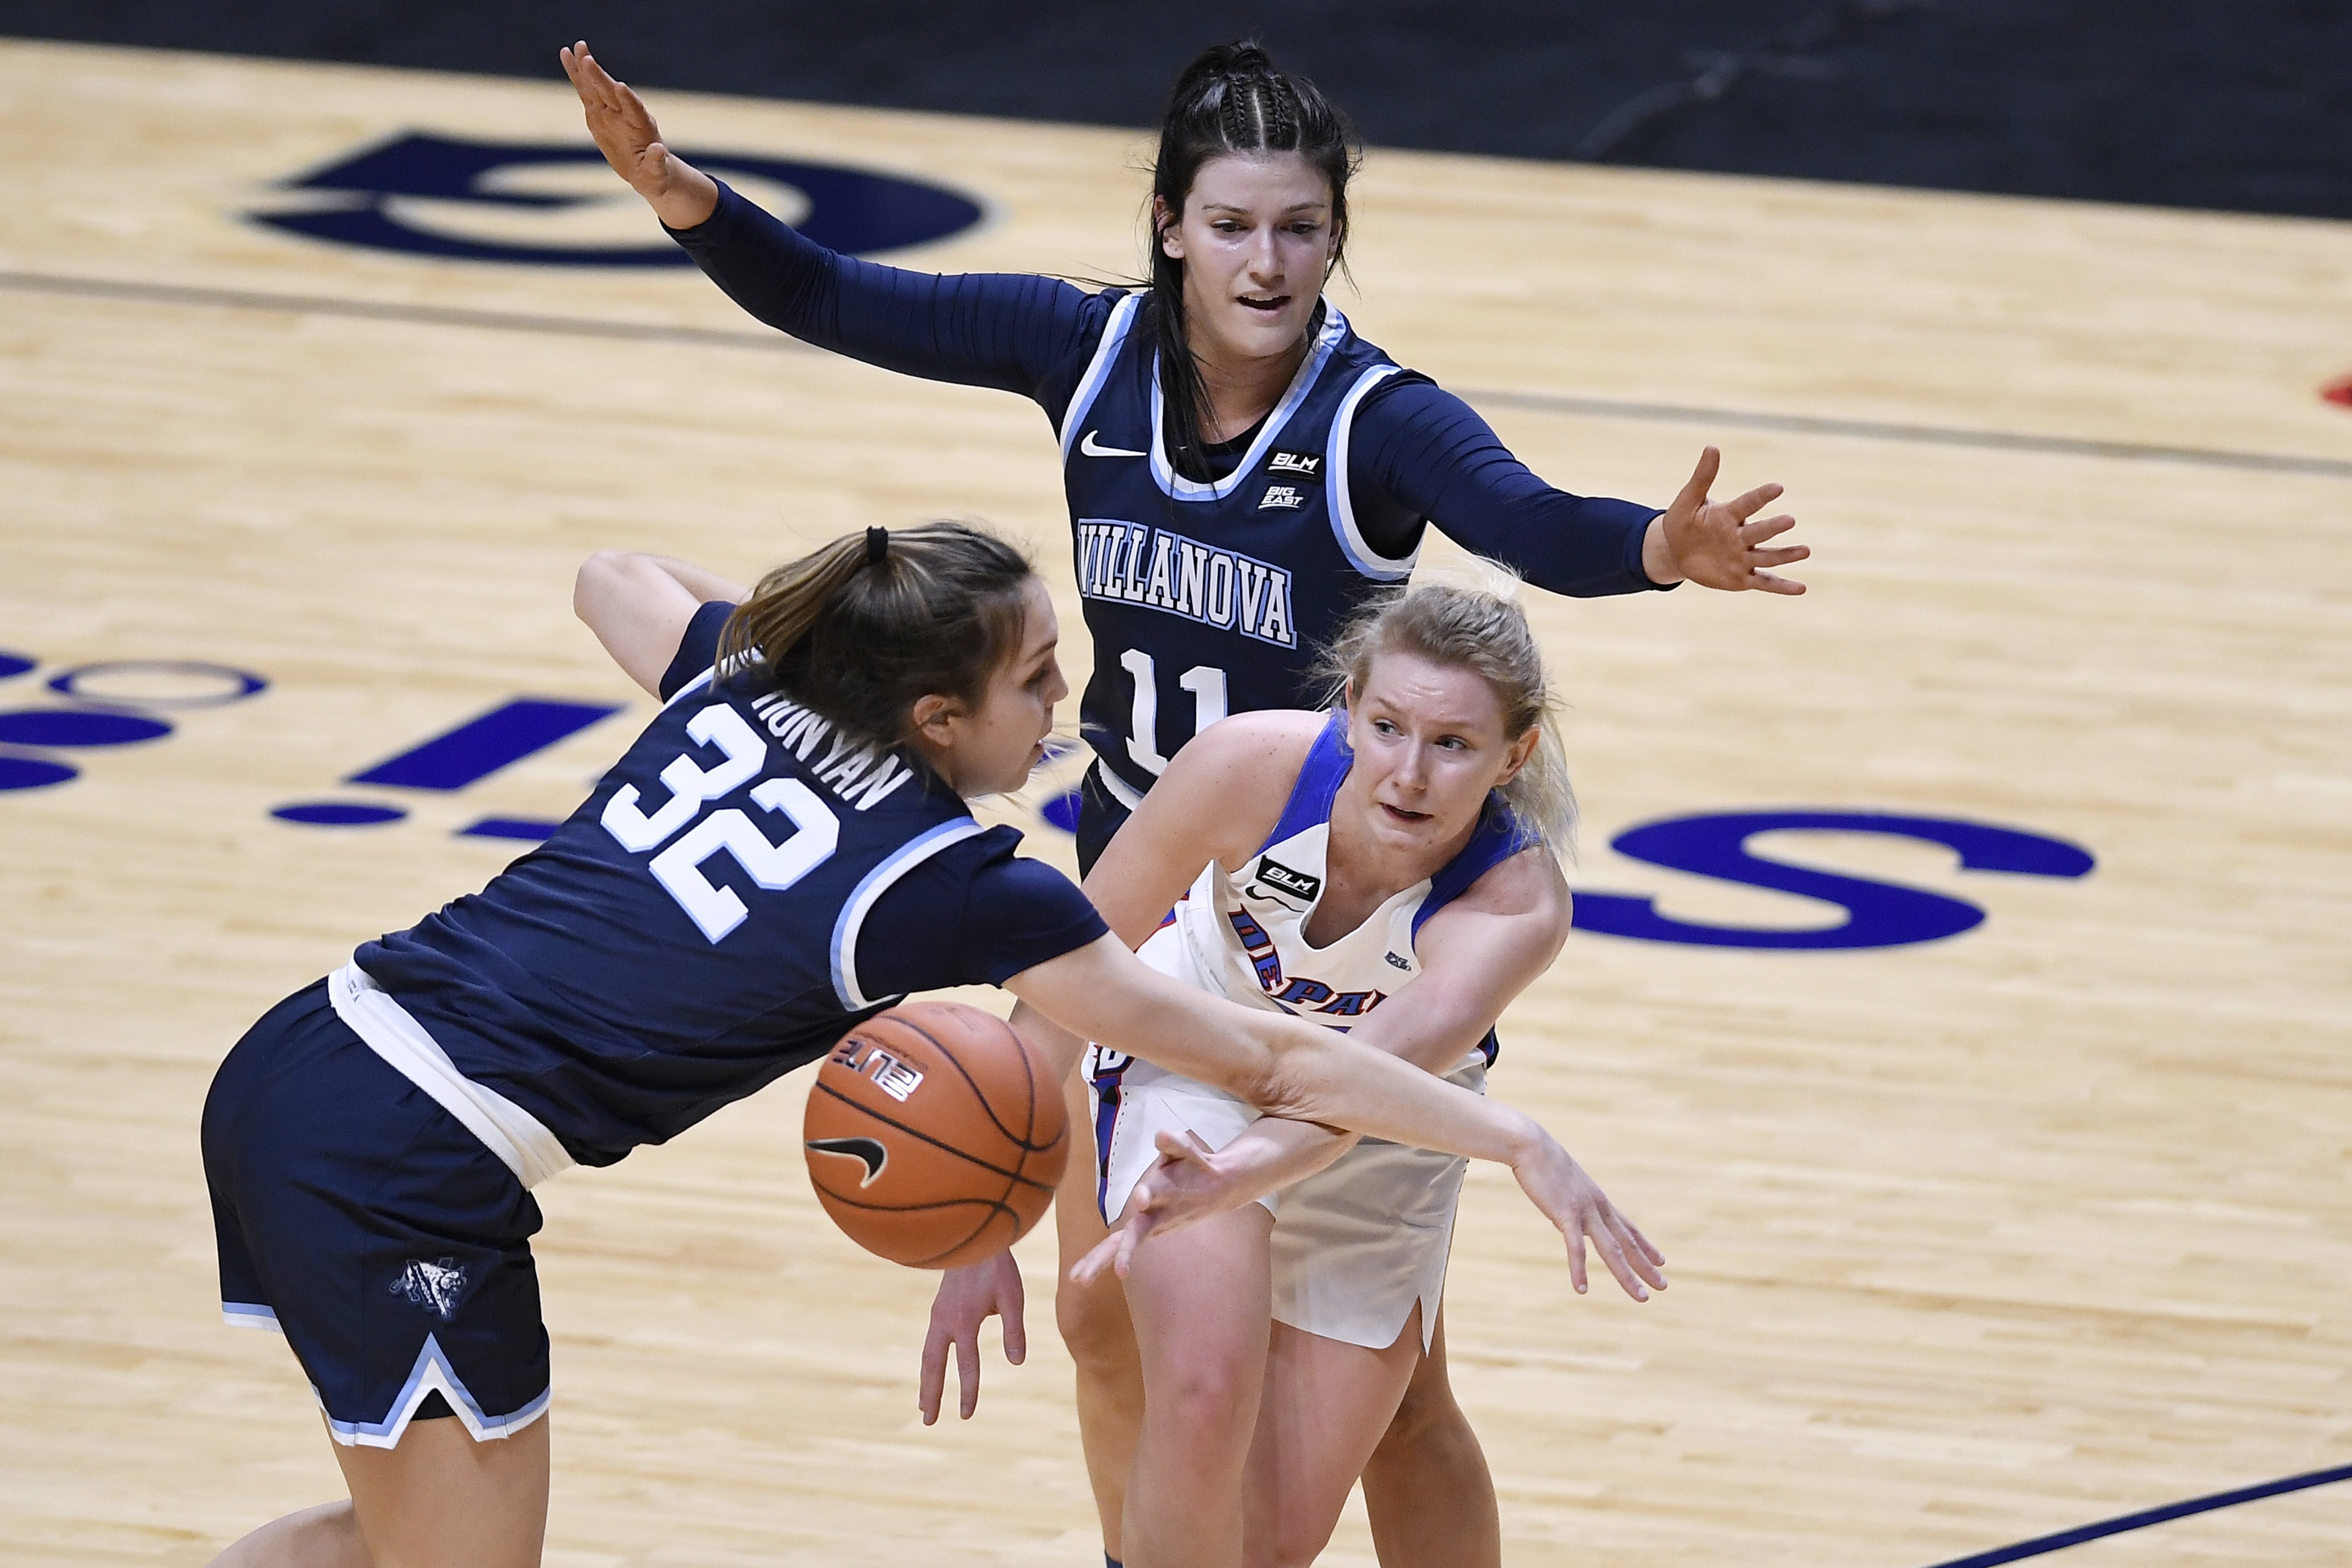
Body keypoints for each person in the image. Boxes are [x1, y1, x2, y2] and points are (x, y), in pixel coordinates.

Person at [561, 37, 1798, 1563]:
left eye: (1298, 227)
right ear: (1168, 225)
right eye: (1232, 225)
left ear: (1336, 236)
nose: (1267, 262)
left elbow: (1534, 526)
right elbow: (835, 296)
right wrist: (679, 194)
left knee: (1407, 1400)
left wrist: (1660, 549)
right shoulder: (1083, 350)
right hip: (1150, 900)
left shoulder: (1374, 421)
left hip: (1357, 929)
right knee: (1114, 1340)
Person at [198, 524, 1642, 1568]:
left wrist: (792, 638)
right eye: (1036, 680)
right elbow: (1271, 1065)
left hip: (303, 1063)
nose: (1067, 703)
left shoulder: (754, 694)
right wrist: (1517, 1136)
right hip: (407, 1168)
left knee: (407, 1546)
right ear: (942, 715)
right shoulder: (962, 886)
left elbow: (610, 576)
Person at [1023, 577, 1655, 1568]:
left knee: (1271, 1541)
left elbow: (1357, 1087)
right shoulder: (1248, 767)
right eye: (1389, 726)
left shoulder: (1514, 903)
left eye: (1452, 746)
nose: (1410, 773)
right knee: (1195, 1397)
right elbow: (1070, 961)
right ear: (1348, 708)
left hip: (1382, 1128)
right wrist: (983, 1212)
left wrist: (1241, 1173)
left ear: (1513, 756)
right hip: (1198, 1063)